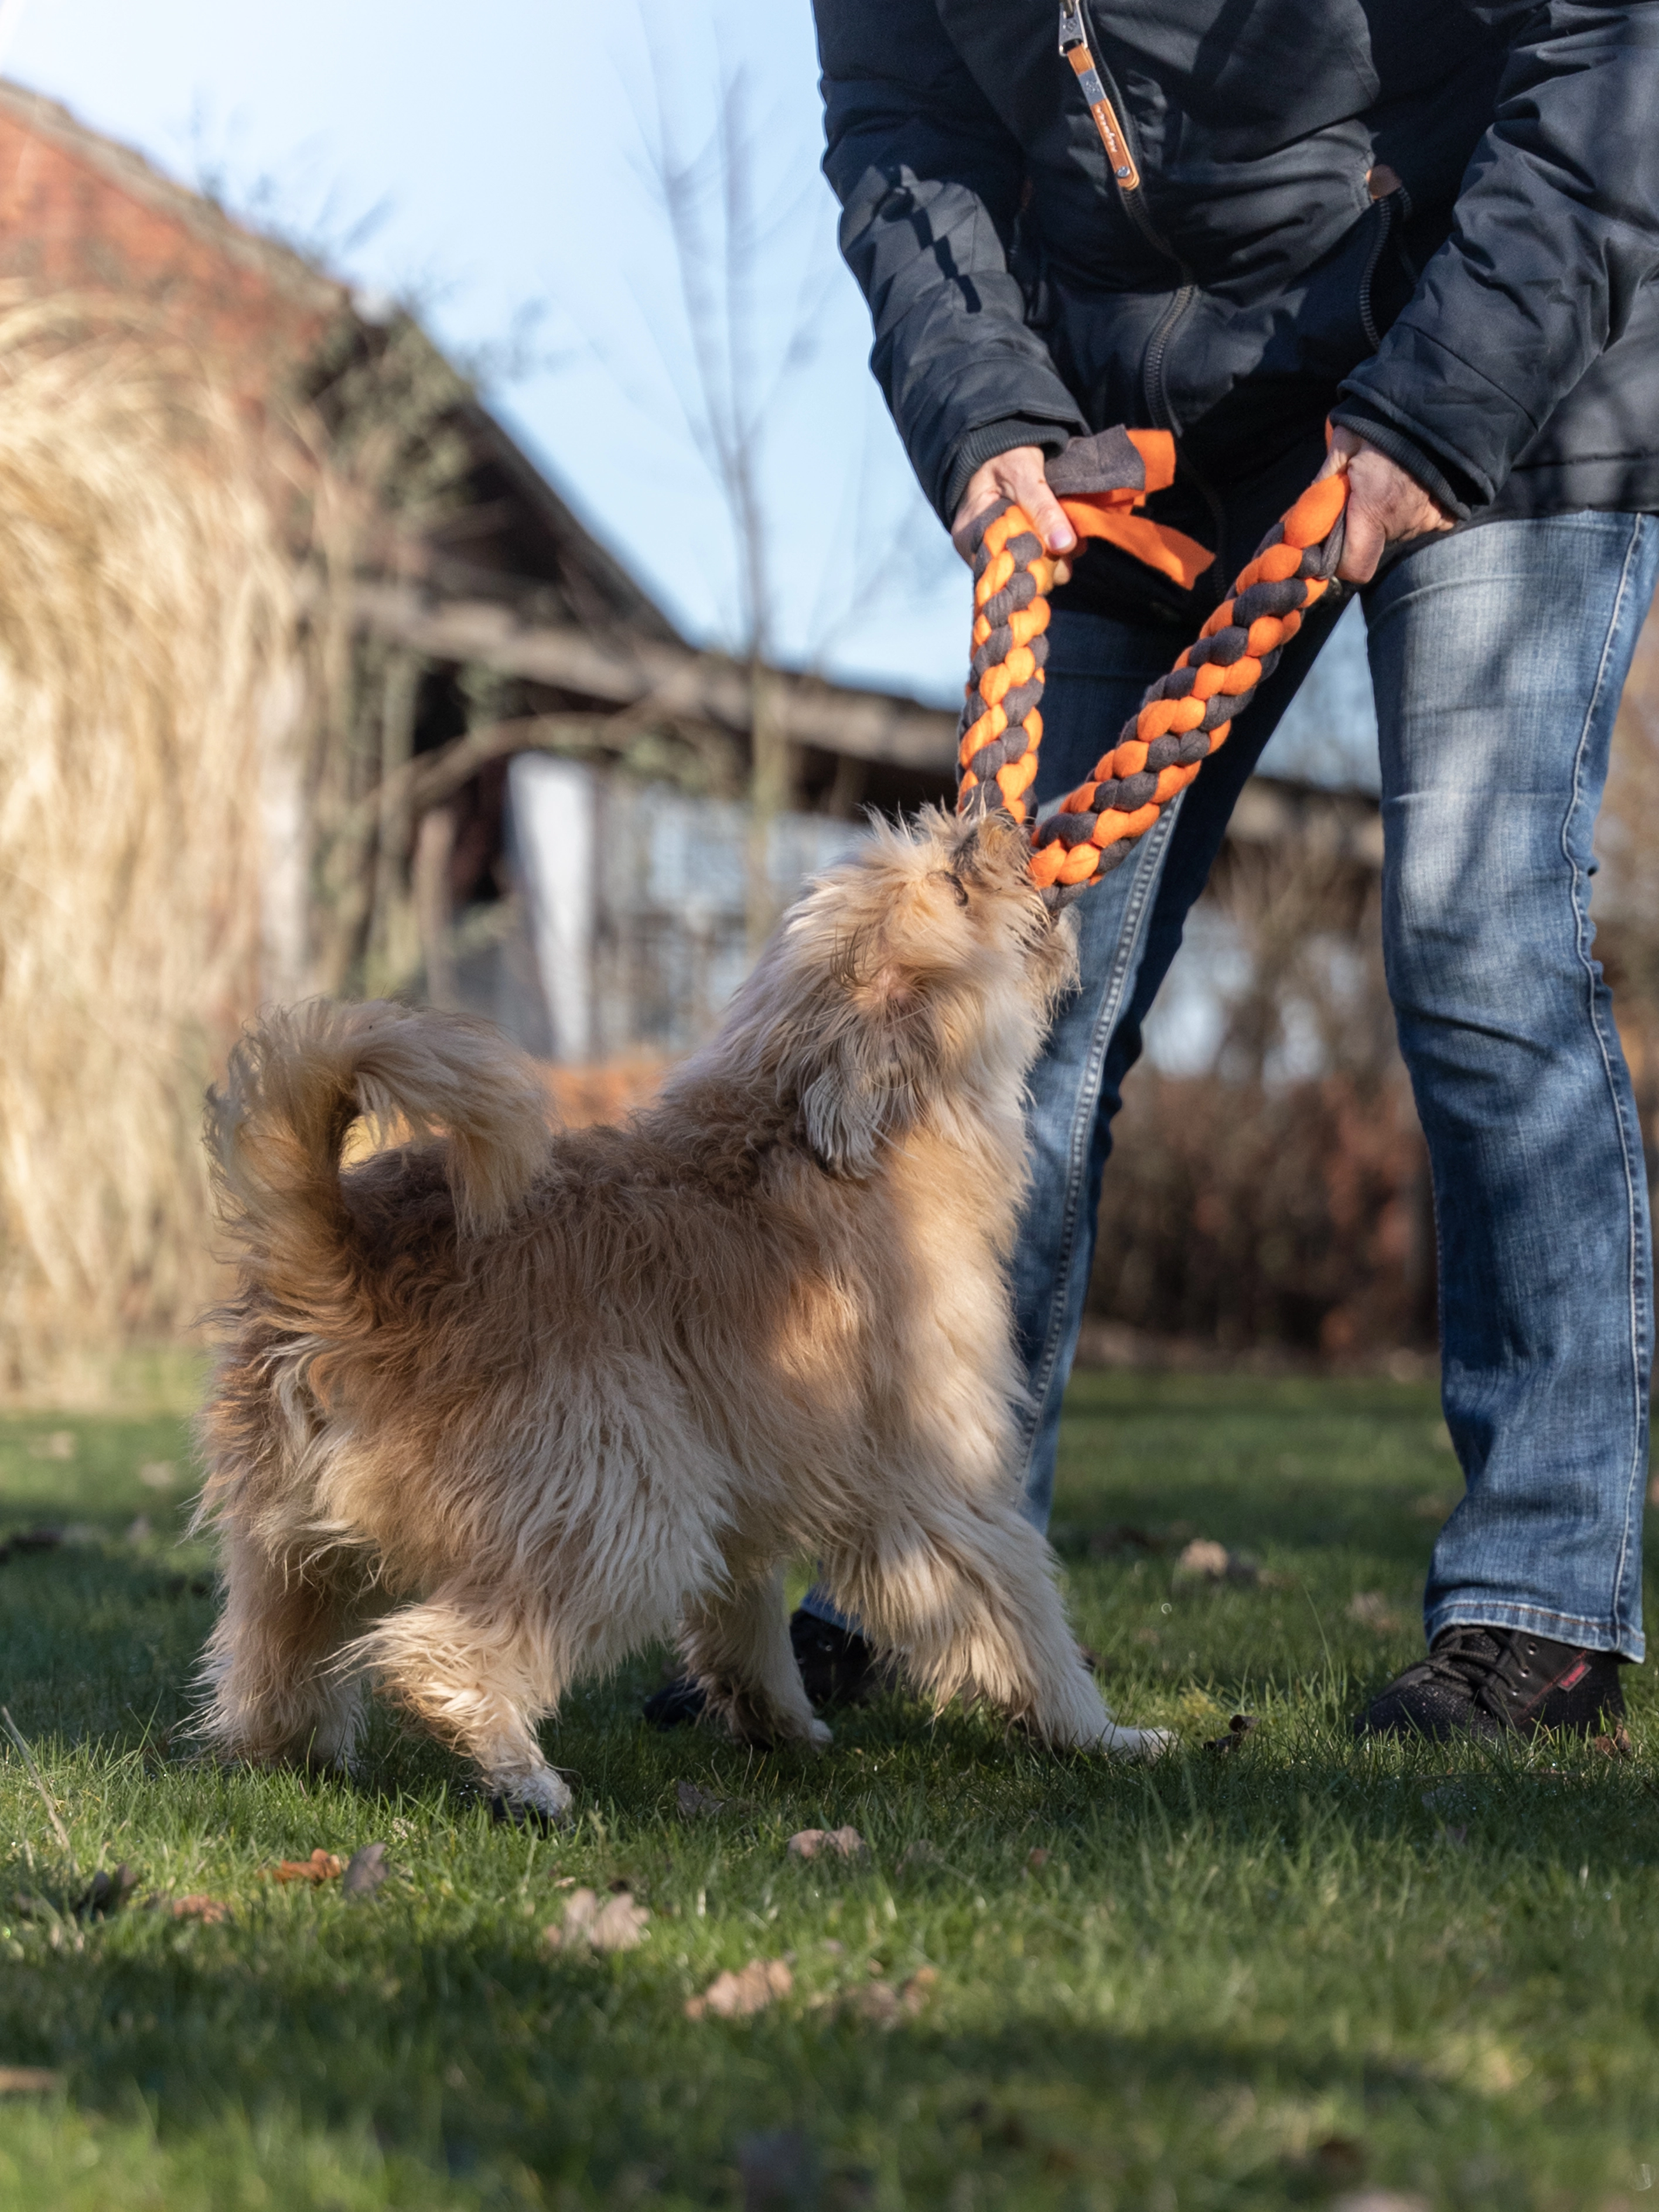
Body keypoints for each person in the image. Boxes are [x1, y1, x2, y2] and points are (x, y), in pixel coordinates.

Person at [650, 2, 1659, 1743]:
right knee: (1005, 1012)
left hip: (1489, 308)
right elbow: (903, 126)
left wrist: (1432, 412)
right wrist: (982, 411)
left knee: (1478, 946)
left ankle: (1541, 1596)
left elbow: (1607, 52)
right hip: (1136, 413)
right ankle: (919, 1572)